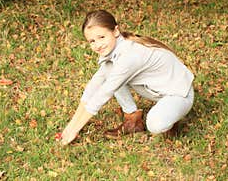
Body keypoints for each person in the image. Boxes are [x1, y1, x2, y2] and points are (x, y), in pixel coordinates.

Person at [61, 10, 194, 145]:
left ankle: (171, 118)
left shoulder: (129, 56)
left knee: (155, 124)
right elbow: (93, 88)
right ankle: (133, 121)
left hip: (179, 95)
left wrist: (73, 131)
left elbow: (104, 93)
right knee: (110, 74)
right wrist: (70, 127)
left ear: (115, 31)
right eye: (92, 41)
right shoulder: (115, 50)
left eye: (101, 37)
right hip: (158, 90)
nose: (97, 45)